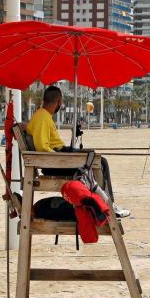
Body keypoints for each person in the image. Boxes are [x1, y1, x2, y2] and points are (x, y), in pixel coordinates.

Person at [26, 86, 130, 217]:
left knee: (100, 161)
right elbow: (42, 147)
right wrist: (66, 159)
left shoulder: (43, 115)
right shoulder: (42, 117)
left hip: (57, 158)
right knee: (97, 164)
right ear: (59, 101)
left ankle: (108, 205)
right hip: (54, 163)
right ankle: (109, 207)